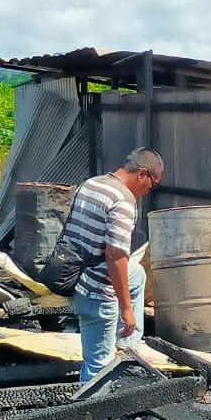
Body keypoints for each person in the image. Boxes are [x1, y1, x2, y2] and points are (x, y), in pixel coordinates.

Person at [63, 147, 163, 382]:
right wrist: (126, 308)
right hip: (96, 294)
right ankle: (91, 416)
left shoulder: (91, 184)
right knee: (98, 368)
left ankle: (127, 346)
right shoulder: (123, 202)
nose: (149, 191)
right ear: (142, 173)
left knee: (136, 273)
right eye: (153, 184)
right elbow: (115, 256)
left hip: (74, 278)